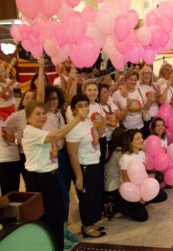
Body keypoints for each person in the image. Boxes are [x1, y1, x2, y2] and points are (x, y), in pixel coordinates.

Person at [22, 100, 88, 250]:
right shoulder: (31, 131)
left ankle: (57, 245)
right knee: (45, 218)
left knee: (57, 214)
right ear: (29, 118)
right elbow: (57, 135)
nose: (42, 117)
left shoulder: (41, 132)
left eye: (44, 113)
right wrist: (77, 119)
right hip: (38, 179)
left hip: (52, 175)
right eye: (37, 114)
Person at [65, 94, 107, 238]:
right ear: (73, 109)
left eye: (86, 105)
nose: (84, 108)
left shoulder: (89, 121)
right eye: (80, 106)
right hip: (84, 166)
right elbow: (72, 153)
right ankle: (87, 227)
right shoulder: (72, 127)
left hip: (94, 162)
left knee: (94, 195)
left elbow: (97, 137)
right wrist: (78, 177)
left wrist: (104, 124)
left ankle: (92, 223)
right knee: (86, 198)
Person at [105, 129, 167, 221]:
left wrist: (145, 193)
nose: (141, 140)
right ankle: (115, 207)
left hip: (140, 186)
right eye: (137, 139)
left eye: (141, 137)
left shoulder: (141, 153)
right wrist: (139, 197)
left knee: (162, 196)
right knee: (142, 217)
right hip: (131, 190)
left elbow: (140, 173)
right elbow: (126, 180)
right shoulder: (125, 158)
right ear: (130, 142)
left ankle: (138, 204)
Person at [112, 70, 152, 137]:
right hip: (126, 129)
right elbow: (114, 110)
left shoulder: (140, 91)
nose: (133, 82)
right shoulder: (117, 94)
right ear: (125, 80)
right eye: (130, 79)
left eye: (135, 80)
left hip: (140, 127)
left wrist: (150, 100)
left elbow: (146, 108)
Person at [139, 66, 159, 132]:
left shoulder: (155, 85)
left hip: (156, 115)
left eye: (149, 73)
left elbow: (158, 101)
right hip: (146, 117)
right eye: (144, 73)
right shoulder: (138, 86)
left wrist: (158, 95)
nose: (147, 75)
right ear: (141, 75)